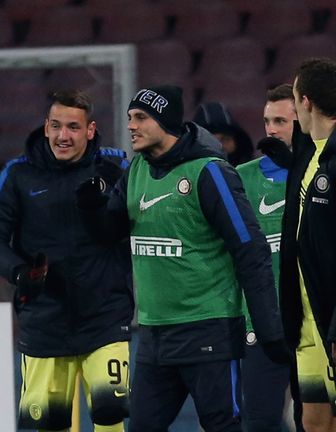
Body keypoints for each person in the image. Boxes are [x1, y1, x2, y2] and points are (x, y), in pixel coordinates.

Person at [76, 85, 288, 431]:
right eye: (130, 118)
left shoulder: (210, 172)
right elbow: (106, 235)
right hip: (153, 335)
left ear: (166, 121)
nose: (131, 125)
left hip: (210, 330)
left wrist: (267, 326)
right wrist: (89, 206)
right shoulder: (136, 171)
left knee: (224, 426)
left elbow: (251, 249)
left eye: (141, 117)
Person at [0, 89, 134, 431]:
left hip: (105, 317)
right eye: (57, 126)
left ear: (90, 130)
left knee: (110, 415)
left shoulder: (117, 167)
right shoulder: (17, 174)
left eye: (74, 127)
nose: (64, 136)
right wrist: (20, 273)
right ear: (46, 127)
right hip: (44, 321)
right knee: (49, 425)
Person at [236, 84, 300, 432]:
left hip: (311, 322)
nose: (271, 130)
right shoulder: (241, 178)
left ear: (302, 121)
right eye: (266, 121)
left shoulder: (321, 174)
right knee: (259, 421)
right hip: (259, 323)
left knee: (316, 420)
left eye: (280, 121)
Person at [279, 57, 336, 432]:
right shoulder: (307, 158)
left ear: (307, 102)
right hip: (307, 321)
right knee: (313, 420)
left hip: (332, 319)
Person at [194, 101, 255, 166]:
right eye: (210, 141)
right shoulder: (186, 173)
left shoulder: (252, 172)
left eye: (225, 139)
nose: (220, 146)